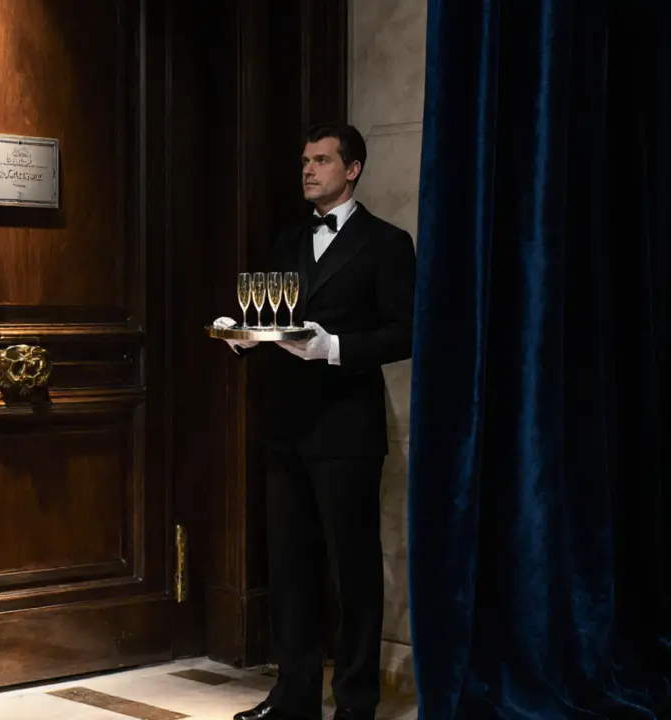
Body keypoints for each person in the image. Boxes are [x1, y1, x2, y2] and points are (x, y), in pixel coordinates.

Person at [214, 123, 416, 720]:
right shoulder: (289, 240)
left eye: (322, 160)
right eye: (305, 160)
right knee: (291, 568)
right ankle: (294, 697)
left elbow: (407, 332)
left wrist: (335, 348)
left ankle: (355, 704)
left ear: (352, 169)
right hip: (287, 425)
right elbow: (275, 318)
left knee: (352, 570)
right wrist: (244, 337)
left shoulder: (387, 242)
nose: (308, 169)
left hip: (347, 430)